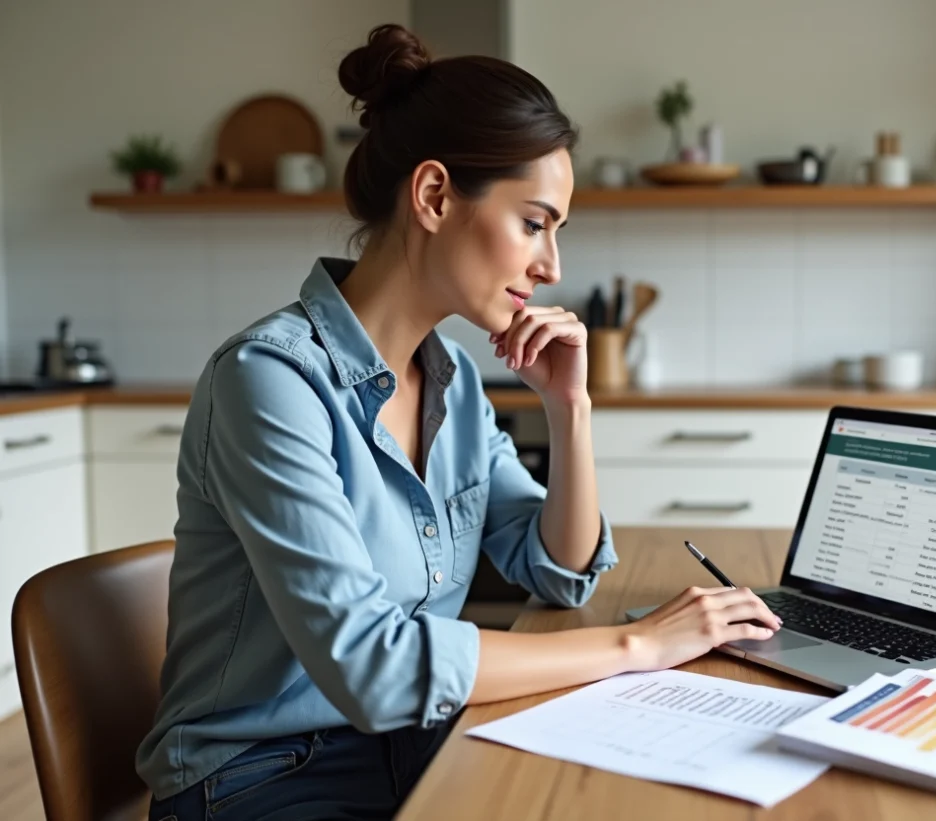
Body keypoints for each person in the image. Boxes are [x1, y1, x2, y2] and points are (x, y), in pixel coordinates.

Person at [137, 23, 782, 821]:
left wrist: (568, 407)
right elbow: (374, 668)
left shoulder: (454, 382)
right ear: (435, 196)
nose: (552, 266)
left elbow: (557, 568)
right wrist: (639, 645)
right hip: (263, 779)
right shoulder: (270, 383)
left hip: (412, 744)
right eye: (535, 222)